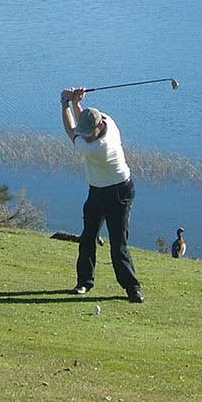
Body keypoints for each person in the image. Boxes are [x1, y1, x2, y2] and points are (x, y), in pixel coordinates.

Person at [60, 86, 143, 303]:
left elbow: (71, 131)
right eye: (85, 133)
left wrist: (64, 104)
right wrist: (78, 103)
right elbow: (81, 124)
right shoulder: (108, 120)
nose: (86, 137)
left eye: (89, 133)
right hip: (97, 191)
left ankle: (132, 287)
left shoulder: (97, 148)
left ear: (99, 127)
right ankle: (84, 283)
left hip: (120, 192)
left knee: (118, 243)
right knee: (87, 238)